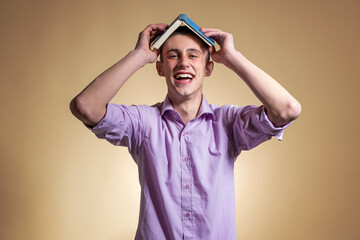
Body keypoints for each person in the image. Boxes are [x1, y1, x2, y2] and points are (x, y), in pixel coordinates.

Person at [70, 22, 301, 240]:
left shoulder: (228, 123)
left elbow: (287, 109)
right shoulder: (143, 123)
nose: (183, 62)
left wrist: (233, 58)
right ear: (160, 67)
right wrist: (139, 56)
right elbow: (85, 106)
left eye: (193, 55)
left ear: (208, 67)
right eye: (173, 55)